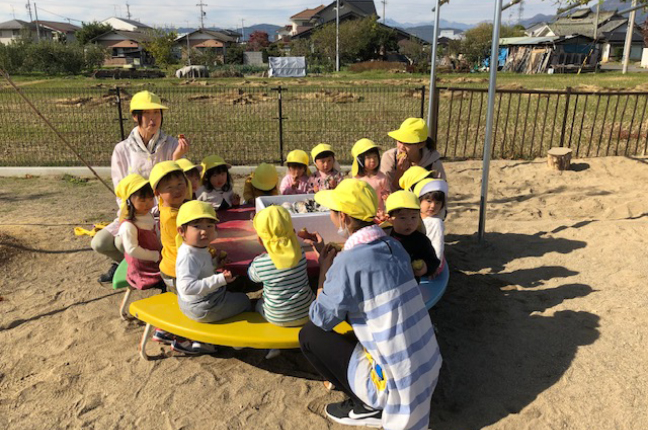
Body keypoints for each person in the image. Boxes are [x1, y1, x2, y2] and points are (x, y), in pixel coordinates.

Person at [299, 179, 442, 430]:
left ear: (343, 217)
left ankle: (367, 406)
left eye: (332, 212)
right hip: (427, 365)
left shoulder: (347, 263)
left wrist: (324, 271)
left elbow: (321, 317)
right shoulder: (394, 246)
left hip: (393, 382)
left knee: (310, 334)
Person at [92, 90, 189, 283]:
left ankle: (155, 269)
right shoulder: (122, 150)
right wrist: (131, 215)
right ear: (136, 116)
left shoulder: (171, 145)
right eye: (147, 114)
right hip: (134, 212)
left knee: (123, 242)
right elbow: (120, 190)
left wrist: (177, 158)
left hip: (164, 212)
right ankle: (125, 263)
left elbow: (181, 185)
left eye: (157, 113)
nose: (153, 119)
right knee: (99, 242)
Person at [174, 200, 251, 354]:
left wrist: (216, 263)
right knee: (245, 301)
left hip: (199, 300)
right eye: (197, 226)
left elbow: (202, 269)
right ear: (182, 231)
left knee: (235, 292)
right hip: (201, 305)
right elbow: (186, 287)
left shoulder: (197, 248)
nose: (204, 231)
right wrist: (219, 279)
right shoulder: (188, 256)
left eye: (209, 226)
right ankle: (233, 339)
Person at [249, 205, 315, 358]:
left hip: (277, 317)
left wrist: (257, 259)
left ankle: (271, 345)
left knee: (257, 304)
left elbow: (252, 277)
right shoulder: (301, 254)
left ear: (260, 240)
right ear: (292, 232)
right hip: (307, 312)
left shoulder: (261, 264)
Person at [115, 174, 164, 291]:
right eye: (142, 200)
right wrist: (154, 255)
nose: (148, 204)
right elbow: (132, 250)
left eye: (150, 199)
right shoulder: (129, 225)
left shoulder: (147, 214)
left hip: (155, 258)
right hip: (144, 267)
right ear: (129, 201)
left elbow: (155, 231)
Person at [149, 161, 191, 298]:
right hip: (177, 274)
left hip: (172, 267)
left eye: (180, 184)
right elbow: (191, 243)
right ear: (157, 192)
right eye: (169, 187)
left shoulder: (167, 204)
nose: (177, 190)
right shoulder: (172, 217)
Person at [384, 191, 440, 280]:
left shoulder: (421, 240)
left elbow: (433, 261)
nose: (409, 223)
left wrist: (425, 268)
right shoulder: (384, 237)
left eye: (414, 217)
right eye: (402, 218)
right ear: (389, 219)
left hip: (410, 284)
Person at [380, 118, 446, 193]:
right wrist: (399, 173)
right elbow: (386, 194)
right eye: (399, 141)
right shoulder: (389, 158)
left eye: (408, 143)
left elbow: (441, 195)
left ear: (421, 144)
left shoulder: (433, 164)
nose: (401, 147)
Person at [414, 178, 448, 269]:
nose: (433, 206)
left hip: (427, 261)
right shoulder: (413, 216)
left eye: (437, 203)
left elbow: (437, 245)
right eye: (429, 201)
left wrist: (434, 266)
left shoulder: (435, 222)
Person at [351, 138, 389, 213]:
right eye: (368, 157)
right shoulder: (356, 178)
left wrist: (387, 197)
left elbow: (386, 194)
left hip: (378, 215)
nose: (373, 160)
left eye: (375, 157)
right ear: (360, 160)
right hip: (361, 214)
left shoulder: (382, 178)